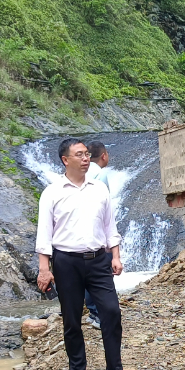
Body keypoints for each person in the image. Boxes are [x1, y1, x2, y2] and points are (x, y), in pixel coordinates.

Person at [36, 138, 139, 370]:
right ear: (65, 160)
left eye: (86, 154)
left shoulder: (98, 189)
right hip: (66, 261)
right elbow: (44, 234)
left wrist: (115, 256)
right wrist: (44, 269)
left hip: (98, 260)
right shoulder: (52, 192)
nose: (85, 158)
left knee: (112, 312)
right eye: (79, 155)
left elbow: (110, 226)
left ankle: (114, 369)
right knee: (71, 318)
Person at [83, 139, 111, 329]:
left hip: (77, 235)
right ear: (103, 156)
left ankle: (92, 312)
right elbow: (104, 207)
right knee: (100, 275)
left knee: (84, 275)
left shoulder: (79, 173)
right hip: (95, 233)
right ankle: (99, 314)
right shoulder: (100, 174)